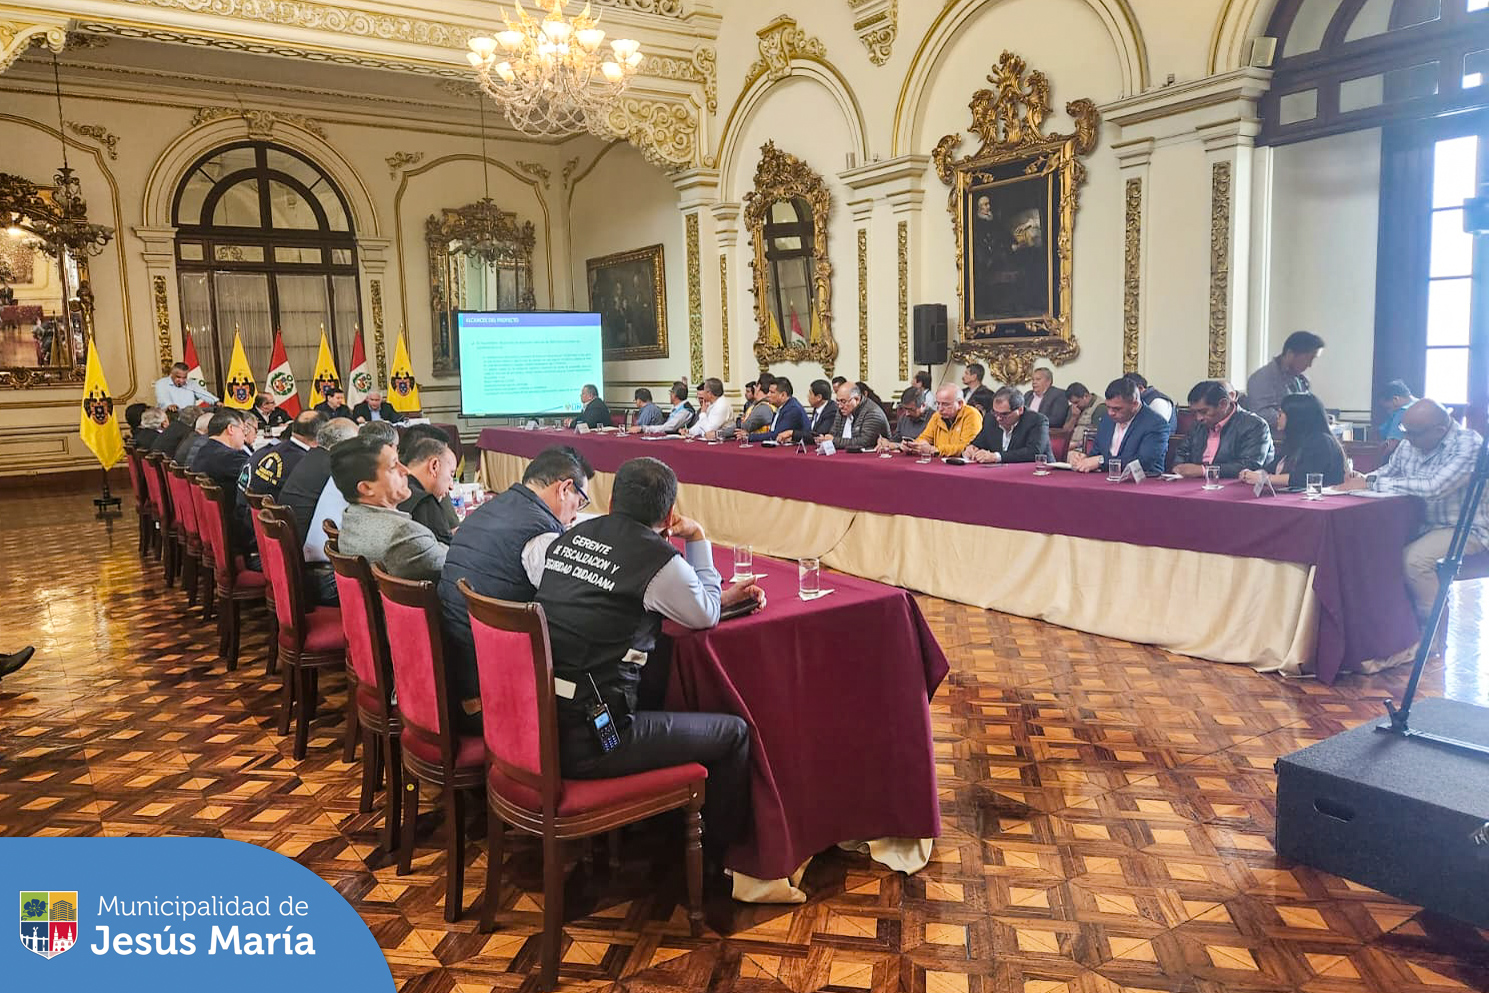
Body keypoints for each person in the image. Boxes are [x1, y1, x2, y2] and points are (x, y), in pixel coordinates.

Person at [534, 457, 760, 854]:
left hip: (538, 722)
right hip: (598, 738)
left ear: (609, 503)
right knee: (734, 733)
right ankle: (723, 860)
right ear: (670, 513)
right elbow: (706, 614)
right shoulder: (659, 561)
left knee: (653, 677)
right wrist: (698, 538)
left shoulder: (570, 536)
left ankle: (655, 827)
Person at [438, 446, 595, 732]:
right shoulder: (539, 535)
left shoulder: (490, 508)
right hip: (489, 690)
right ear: (565, 489)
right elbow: (574, 609)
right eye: (580, 502)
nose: (574, 515)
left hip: (454, 667)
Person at [1337, 400, 1486, 618]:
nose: (1406, 439)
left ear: (1440, 430)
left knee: (1415, 561)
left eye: (1413, 434)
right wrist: (1365, 478)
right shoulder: (1411, 441)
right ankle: (1391, 630)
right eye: (1404, 431)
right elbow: (1390, 471)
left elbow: (1436, 486)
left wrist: (1370, 483)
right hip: (1419, 523)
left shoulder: (1469, 443)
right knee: (1369, 548)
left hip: (1465, 528)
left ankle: (1430, 635)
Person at [332, 436, 447, 583]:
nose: (406, 470)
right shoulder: (403, 534)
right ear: (366, 488)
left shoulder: (351, 516)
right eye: (394, 467)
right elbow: (459, 565)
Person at [279, 418, 359, 592]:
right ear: (346, 444)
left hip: (295, 562)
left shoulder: (311, 458)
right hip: (315, 574)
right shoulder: (335, 468)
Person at [1241, 392, 1346, 491]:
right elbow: (1273, 467)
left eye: (1281, 413)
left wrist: (1265, 478)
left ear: (1296, 418)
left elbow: (1303, 478)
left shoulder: (1321, 442)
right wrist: (1253, 473)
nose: (1277, 417)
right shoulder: (1294, 441)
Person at [1172, 380, 1273, 479]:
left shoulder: (1255, 425)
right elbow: (1182, 452)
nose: (1199, 418)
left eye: (1204, 411)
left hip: (1236, 486)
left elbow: (1249, 465)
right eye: (1194, 413)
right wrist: (1179, 468)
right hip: (1193, 483)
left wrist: (1204, 470)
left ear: (1223, 404)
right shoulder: (1198, 425)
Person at [1071, 377, 1171, 475]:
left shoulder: (1156, 424)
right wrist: (1084, 458)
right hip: (1105, 478)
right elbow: (1097, 452)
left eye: (1117, 409)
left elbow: (1142, 462)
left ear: (1135, 404)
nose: (1110, 413)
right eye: (1108, 407)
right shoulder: (1107, 419)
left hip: (1142, 483)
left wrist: (1100, 461)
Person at [1245, 330, 1324, 429]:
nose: (1310, 365)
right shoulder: (1261, 378)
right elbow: (1261, 414)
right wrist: (1298, 419)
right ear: (1290, 354)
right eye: (1308, 359)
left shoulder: (1301, 380)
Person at [244, 410, 326, 500]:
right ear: (321, 436)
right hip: (283, 510)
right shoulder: (308, 465)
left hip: (256, 509)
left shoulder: (265, 450)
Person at [398, 433, 458, 544]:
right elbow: (449, 553)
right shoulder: (425, 503)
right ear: (434, 466)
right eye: (451, 474)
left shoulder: (396, 491)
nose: (451, 486)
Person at [966, 386, 1050, 464]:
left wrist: (996, 457)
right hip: (999, 472)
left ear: (1020, 410)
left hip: (1037, 473)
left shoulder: (1037, 421)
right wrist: (972, 448)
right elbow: (979, 443)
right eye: (995, 412)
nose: (998, 418)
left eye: (1004, 414)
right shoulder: (990, 418)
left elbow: (1033, 452)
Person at [896, 384, 983, 458]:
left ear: (960, 404)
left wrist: (935, 450)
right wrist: (913, 446)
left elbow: (967, 447)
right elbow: (924, 438)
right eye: (938, 403)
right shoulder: (937, 416)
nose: (940, 409)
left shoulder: (971, 414)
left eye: (945, 404)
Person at [828, 381, 890, 451]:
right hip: (844, 453)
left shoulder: (872, 412)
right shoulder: (842, 411)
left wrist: (834, 441)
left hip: (868, 457)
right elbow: (833, 433)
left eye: (843, 401)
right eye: (838, 401)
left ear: (856, 399)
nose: (840, 406)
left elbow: (864, 441)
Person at [761, 376, 808, 442]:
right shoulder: (781, 407)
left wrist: (748, 437)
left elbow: (776, 435)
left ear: (783, 395)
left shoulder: (792, 409)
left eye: (772, 392)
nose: (768, 395)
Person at [1059, 382, 1103, 454]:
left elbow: (1095, 436)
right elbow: (1065, 432)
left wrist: (1076, 444)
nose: (1074, 405)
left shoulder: (1100, 407)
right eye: (1072, 403)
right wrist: (1074, 417)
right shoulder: (1074, 408)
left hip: (1084, 448)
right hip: (1070, 445)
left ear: (1085, 396)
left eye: (1076, 402)